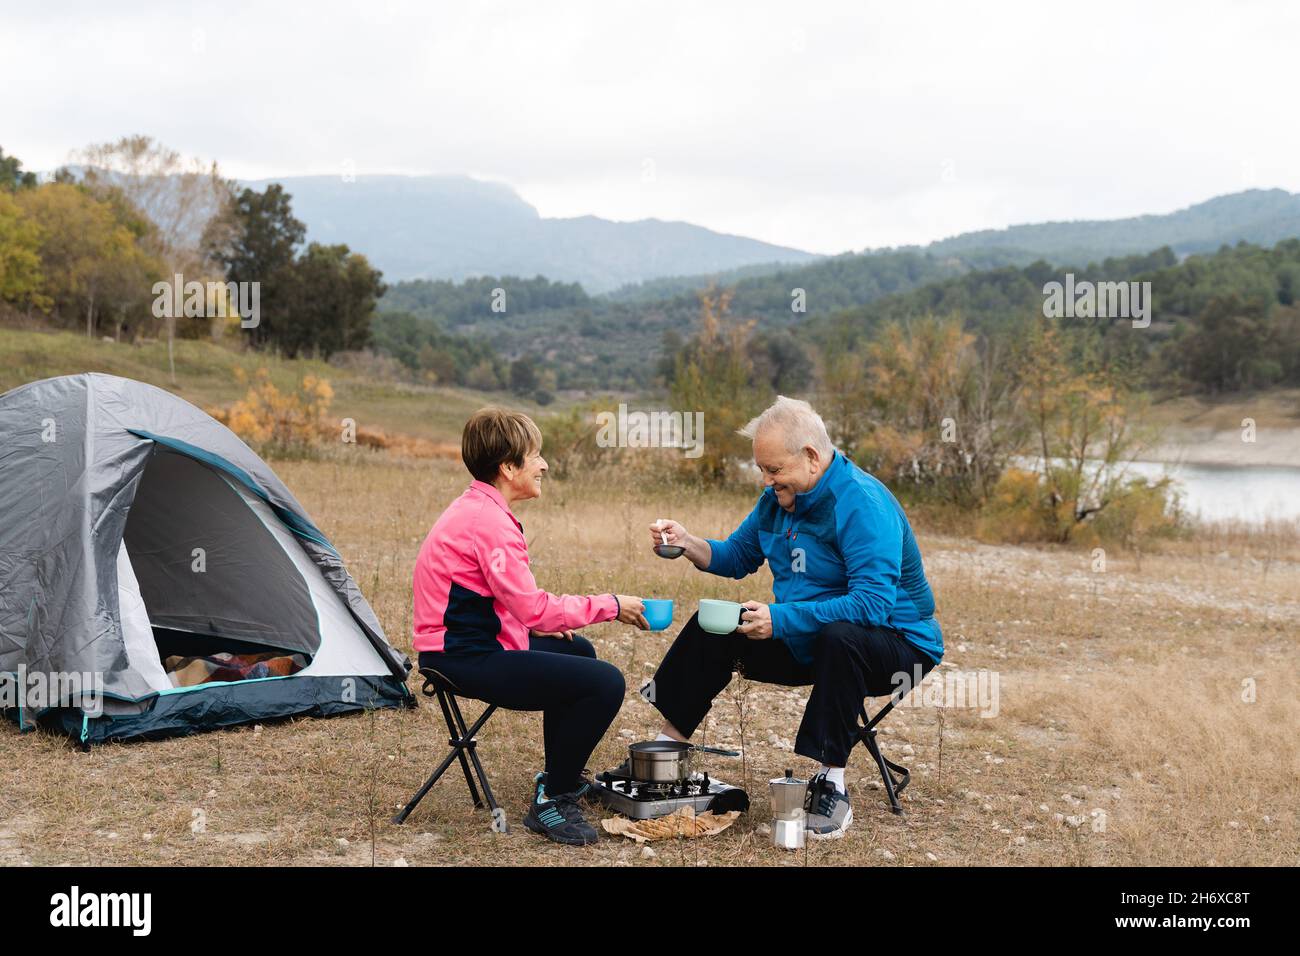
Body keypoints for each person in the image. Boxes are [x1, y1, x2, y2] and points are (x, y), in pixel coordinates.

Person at [644, 396, 942, 838]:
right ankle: (665, 753)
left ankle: (831, 783)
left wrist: (781, 620)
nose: (766, 480)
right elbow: (736, 555)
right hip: (814, 635)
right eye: (762, 469)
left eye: (775, 469)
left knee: (841, 637)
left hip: (898, 644)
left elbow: (873, 605)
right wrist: (688, 543)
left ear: (812, 457)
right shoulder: (776, 498)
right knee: (717, 623)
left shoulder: (861, 503)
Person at [413, 407, 648, 846]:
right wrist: (611, 605)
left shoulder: (479, 509)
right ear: (508, 467)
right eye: (535, 455)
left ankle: (559, 777)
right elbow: (534, 607)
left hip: (465, 645)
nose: (543, 465)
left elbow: (490, 600)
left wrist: (533, 630)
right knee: (605, 683)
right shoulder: (488, 523)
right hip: (463, 658)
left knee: (579, 653)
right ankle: (552, 801)